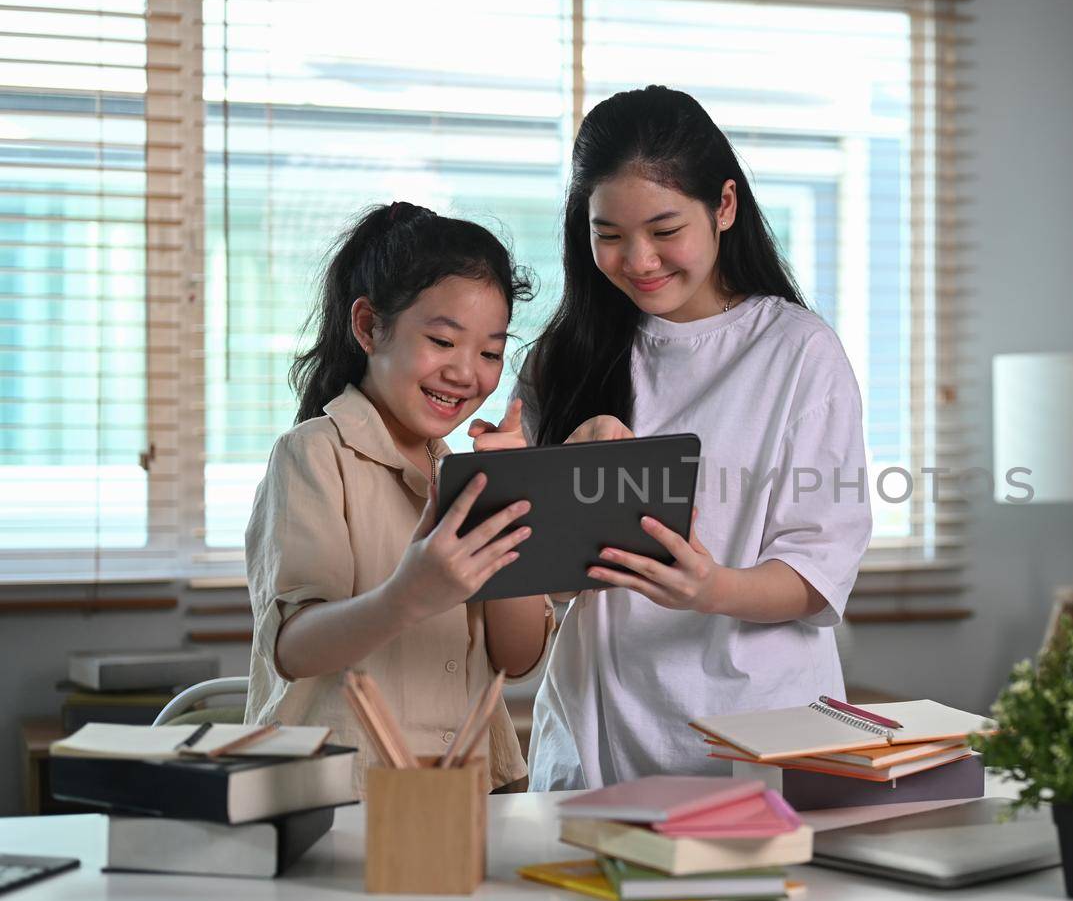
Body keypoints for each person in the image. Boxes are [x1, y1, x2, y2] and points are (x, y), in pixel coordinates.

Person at [518, 86, 873, 789]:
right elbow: (544, 585)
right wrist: (561, 480)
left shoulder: (798, 352)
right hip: (597, 738)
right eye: (610, 236)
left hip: (761, 734)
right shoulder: (560, 360)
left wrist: (711, 586)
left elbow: (817, 572)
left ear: (725, 206)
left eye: (664, 229)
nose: (639, 260)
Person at [244, 202, 553, 794]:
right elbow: (292, 646)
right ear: (368, 327)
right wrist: (407, 595)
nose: (467, 373)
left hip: (468, 790)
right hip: (347, 793)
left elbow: (518, 660)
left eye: (490, 353)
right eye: (442, 340)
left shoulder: (465, 474)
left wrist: (521, 494)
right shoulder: (312, 455)